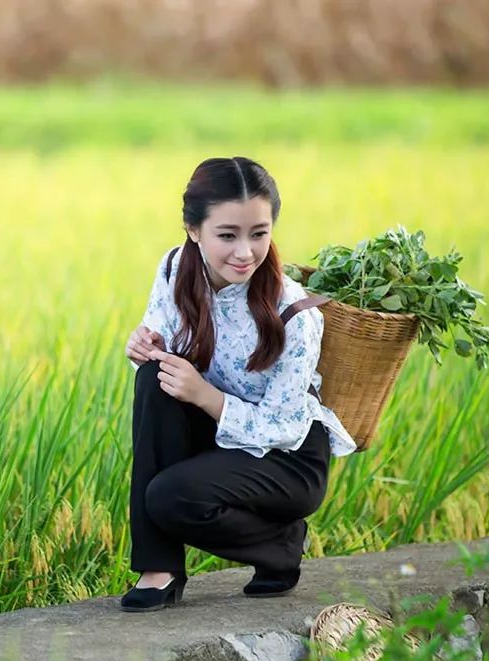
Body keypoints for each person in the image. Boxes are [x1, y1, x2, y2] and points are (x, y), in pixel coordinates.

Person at [121, 156, 357, 613]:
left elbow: (284, 426)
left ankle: (280, 545)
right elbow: (164, 356)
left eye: (259, 234)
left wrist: (206, 397)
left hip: (287, 460)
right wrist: (144, 345)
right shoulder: (174, 269)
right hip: (222, 438)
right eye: (227, 235)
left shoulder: (293, 313)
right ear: (193, 229)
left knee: (169, 497)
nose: (245, 252)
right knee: (155, 378)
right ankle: (160, 568)